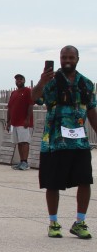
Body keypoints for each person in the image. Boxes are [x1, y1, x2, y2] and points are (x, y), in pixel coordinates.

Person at [32, 46, 97, 239]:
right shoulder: (50, 83)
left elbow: (92, 112)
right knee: (52, 184)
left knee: (85, 181)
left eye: (71, 57)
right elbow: (33, 98)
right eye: (64, 57)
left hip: (79, 143)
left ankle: (80, 222)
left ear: (77, 59)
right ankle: (53, 223)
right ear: (59, 59)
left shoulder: (86, 83)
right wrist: (42, 82)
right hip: (54, 143)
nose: (67, 60)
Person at [6, 73, 34, 171]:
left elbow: (31, 105)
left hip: (24, 122)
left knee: (24, 142)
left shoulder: (28, 91)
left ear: (24, 81)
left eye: (20, 79)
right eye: (17, 79)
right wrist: (8, 121)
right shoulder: (13, 93)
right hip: (14, 122)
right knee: (18, 142)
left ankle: (25, 162)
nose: (18, 81)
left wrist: (27, 119)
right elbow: (10, 108)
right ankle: (21, 161)